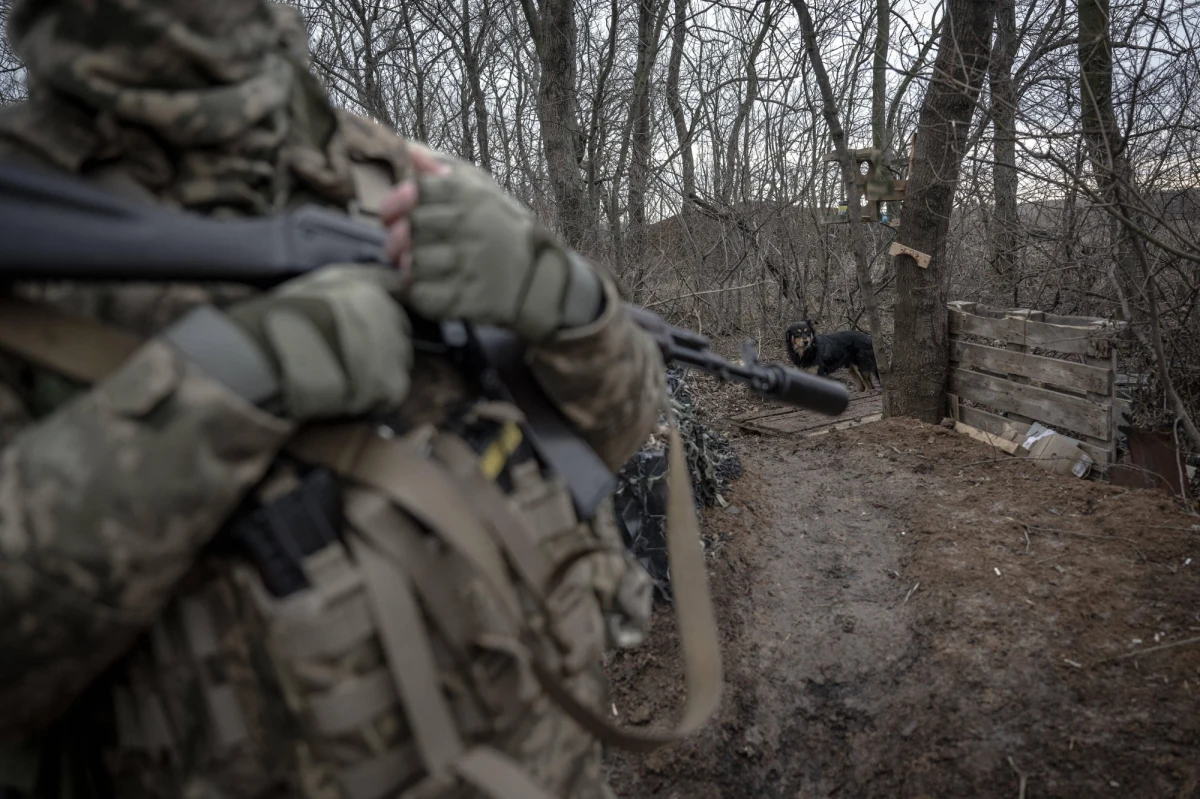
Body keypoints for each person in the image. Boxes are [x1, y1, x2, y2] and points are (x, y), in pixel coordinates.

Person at [0, 1, 668, 797]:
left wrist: (572, 304)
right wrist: (226, 381)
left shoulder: (395, 177)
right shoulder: (26, 217)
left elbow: (615, 435)